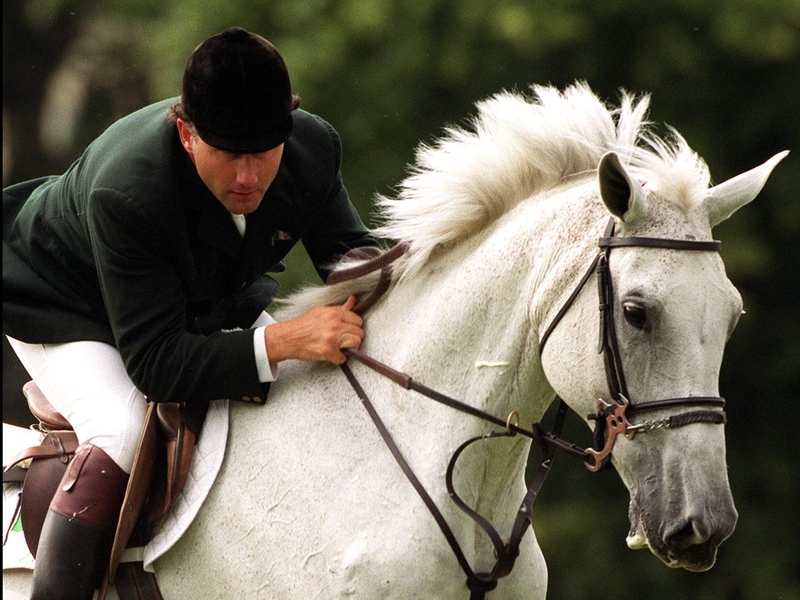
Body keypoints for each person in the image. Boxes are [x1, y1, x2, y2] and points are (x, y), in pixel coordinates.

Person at [3, 26, 378, 599]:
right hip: (59, 294)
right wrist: (282, 343)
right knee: (122, 428)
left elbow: (349, 260)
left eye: (264, 152)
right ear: (186, 134)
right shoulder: (127, 192)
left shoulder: (311, 148)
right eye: (229, 155)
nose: (249, 178)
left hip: (188, 297)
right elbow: (157, 365)